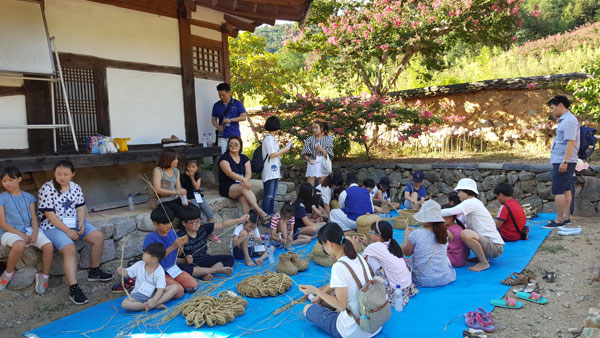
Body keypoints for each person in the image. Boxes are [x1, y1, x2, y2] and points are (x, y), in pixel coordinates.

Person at [38, 161, 113, 304]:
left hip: (73, 221)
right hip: (52, 226)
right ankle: (74, 288)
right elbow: (49, 215)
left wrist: (81, 222)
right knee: (69, 248)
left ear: (72, 174)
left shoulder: (76, 187)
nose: (62, 177)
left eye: (66, 174)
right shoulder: (47, 188)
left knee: (97, 236)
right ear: (54, 174)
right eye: (58, 174)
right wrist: (67, 231)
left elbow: (80, 207)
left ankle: (94, 271)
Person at [299, 222, 381, 338]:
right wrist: (319, 297)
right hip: (374, 323)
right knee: (326, 298)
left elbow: (341, 305)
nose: (324, 250)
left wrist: (317, 291)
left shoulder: (339, 267)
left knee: (307, 309)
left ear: (329, 244)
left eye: (323, 247)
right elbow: (335, 283)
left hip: (353, 331)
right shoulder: (358, 257)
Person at [0, 166, 53, 295]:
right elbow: (2, 223)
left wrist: (35, 232)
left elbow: (34, 218)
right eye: (4, 181)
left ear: (19, 179)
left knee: (49, 246)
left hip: (29, 229)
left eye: (10, 180)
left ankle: (44, 276)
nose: (7, 183)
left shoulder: (29, 197)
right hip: (9, 231)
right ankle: (8, 273)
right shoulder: (2, 197)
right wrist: (21, 235)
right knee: (19, 244)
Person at [441, 178, 504, 272]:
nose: (458, 195)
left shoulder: (471, 202)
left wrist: (431, 213)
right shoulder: (473, 203)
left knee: (466, 233)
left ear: (467, 191)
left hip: (495, 247)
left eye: (459, 192)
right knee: (466, 232)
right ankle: (482, 257)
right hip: (491, 245)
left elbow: (451, 211)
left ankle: (483, 262)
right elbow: (458, 220)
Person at [177, 205, 246, 280]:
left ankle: (205, 274)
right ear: (184, 223)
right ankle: (215, 270)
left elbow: (222, 224)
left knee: (229, 259)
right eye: (193, 223)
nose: (197, 225)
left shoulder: (203, 228)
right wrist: (185, 259)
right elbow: (177, 256)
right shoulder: (179, 236)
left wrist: (239, 220)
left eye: (198, 221)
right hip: (191, 264)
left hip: (204, 259)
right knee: (182, 268)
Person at [143, 207, 197, 300]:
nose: (168, 225)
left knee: (193, 285)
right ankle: (156, 289)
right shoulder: (150, 238)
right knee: (179, 292)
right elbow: (152, 260)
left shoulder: (172, 233)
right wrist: (173, 246)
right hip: (159, 273)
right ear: (155, 224)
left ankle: (170, 286)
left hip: (173, 270)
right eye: (165, 223)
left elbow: (179, 253)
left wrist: (181, 244)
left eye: (170, 222)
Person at [360, 220, 417, 307]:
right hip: (406, 284)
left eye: (371, 232)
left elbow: (360, 259)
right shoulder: (392, 243)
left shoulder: (372, 247)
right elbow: (380, 249)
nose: (370, 234)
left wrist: (355, 245)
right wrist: (366, 244)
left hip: (395, 287)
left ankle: (373, 281)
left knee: (369, 257)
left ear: (378, 236)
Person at [218, 136, 270, 226]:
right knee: (244, 187)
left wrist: (245, 180)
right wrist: (244, 180)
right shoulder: (224, 158)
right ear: (228, 146)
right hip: (228, 186)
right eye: (231, 144)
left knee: (244, 198)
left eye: (236, 144)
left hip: (241, 184)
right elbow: (229, 173)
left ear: (240, 146)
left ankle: (246, 223)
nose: (233, 146)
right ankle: (259, 211)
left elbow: (248, 172)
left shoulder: (244, 158)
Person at [402, 200, 455, 287]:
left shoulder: (416, 234)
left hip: (422, 280)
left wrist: (406, 236)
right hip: (444, 278)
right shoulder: (444, 233)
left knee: (407, 263)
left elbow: (406, 253)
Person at [545, 95, 580, 228]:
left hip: (564, 160)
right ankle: (565, 217)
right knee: (566, 189)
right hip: (563, 159)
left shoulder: (569, 121)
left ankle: (559, 219)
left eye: (552, 108)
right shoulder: (565, 120)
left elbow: (570, 142)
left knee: (558, 190)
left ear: (561, 105)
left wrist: (564, 161)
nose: (551, 111)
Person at [117, 243, 179, 311]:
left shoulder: (160, 271)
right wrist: (123, 272)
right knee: (125, 304)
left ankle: (154, 304)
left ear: (154, 259)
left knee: (175, 288)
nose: (143, 254)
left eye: (146, 253)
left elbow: (160, 289)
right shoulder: (139, 264)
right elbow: (128, 274)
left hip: (154, 293)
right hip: (139, 293)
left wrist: (154, 300)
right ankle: (148, 306)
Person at [261, 116, 293, 220]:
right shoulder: (268, 139)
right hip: (269, 171)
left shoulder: (272, 139)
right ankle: (266, 217)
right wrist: (285, 149)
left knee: (272, 196)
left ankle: (269, 216)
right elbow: (272, 154)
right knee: (269, 196)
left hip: (273, 172)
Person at [179, 159, 219, 242]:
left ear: (197, 168)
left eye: (193, 167)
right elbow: (180, 188)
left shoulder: (198, 175)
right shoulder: (182, 176)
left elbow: (197, 187)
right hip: (191, 198)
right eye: (189, 167)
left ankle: (211, 234)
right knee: (199, 216)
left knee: (209, 214)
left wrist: (192, 178)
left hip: (199, 197)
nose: (191, 169)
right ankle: (201, 235)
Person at [211, 82, 247, 154]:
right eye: (219, 95)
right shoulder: (216, 105)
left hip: (234, 135)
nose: (221, 97)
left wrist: (231, 120)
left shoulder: (237, 103)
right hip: (222, 136)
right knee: (223, 158)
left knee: (238, 156)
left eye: (223, 95)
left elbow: (243, 117)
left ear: (229, 93)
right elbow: (213, 119)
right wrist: (217, 126)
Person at [152, 149, 186, 219]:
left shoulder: (176, 171)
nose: (177, 161)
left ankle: (183, 227)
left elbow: (178, 187)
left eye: (177, 158)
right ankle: (181, 228)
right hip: (163, 201)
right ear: (168, 160)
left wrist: (183, 199)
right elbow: (157, 190)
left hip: (175, 198)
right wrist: (176, 192)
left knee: (193, 208)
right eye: (175, 159)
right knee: (182, 212)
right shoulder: (158, 170)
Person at [302, 121, 334, 186]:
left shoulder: (327, 140)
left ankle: (321, 196)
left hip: (323, 162)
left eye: (316, 128)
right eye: (313, 128)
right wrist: (309, 160)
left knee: (322, 186)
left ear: (321, 128)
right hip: (312, 161)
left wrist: (322, 150)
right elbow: (304, 153)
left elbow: (329, 155)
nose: (314, 130)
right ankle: (310, 196)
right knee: (310, 186)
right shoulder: (309, 139)